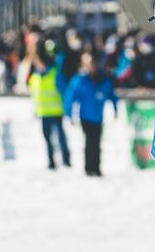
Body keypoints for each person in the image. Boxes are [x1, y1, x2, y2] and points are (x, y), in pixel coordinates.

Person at [64, 51, 118, 177]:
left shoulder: (104, 80)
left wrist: (115, 109)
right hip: (85, 117)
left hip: (98, 117)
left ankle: (97, 168)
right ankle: (89, 168)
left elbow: (112, 95)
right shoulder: (80, 80)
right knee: (89, 143)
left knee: (97, 143)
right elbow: (71, 97)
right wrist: (70, 114)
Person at [27, 42, 70, 170]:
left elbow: (64, 91)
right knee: (47, 139)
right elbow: (34, 96)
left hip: (56, 111)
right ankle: (51, 161)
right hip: (43, 112)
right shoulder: (34, 78)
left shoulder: (54, 74)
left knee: (60, 138)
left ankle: (66, 160)